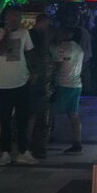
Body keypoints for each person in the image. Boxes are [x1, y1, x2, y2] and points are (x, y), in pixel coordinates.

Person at [0, 6, 38, 165]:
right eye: (12, 17)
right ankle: (5, 152)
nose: (15, 20)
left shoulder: (24, 33)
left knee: (22, 118)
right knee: (5, 120)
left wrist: (33, 71)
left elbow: (30, 52)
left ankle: (23, 151)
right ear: (6, 18)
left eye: (18, 17)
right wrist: (7, 33)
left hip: (22, 81)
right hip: (4, 82)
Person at [51, 26, 84, 154]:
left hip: (63, 84)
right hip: (76, 84)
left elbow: (57, 66)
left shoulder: (62, 48)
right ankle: (77, 142)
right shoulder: (79, 48)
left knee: (49, 111)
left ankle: (44, 137)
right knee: (73, 114)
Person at [27, 13, 54, 159]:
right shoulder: (33, 36)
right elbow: (33, 57)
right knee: (35, 115)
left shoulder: (42, 37)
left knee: (40, 116)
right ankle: (32, 145)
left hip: (43, 82)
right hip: (36, 81)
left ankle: (37, 145)